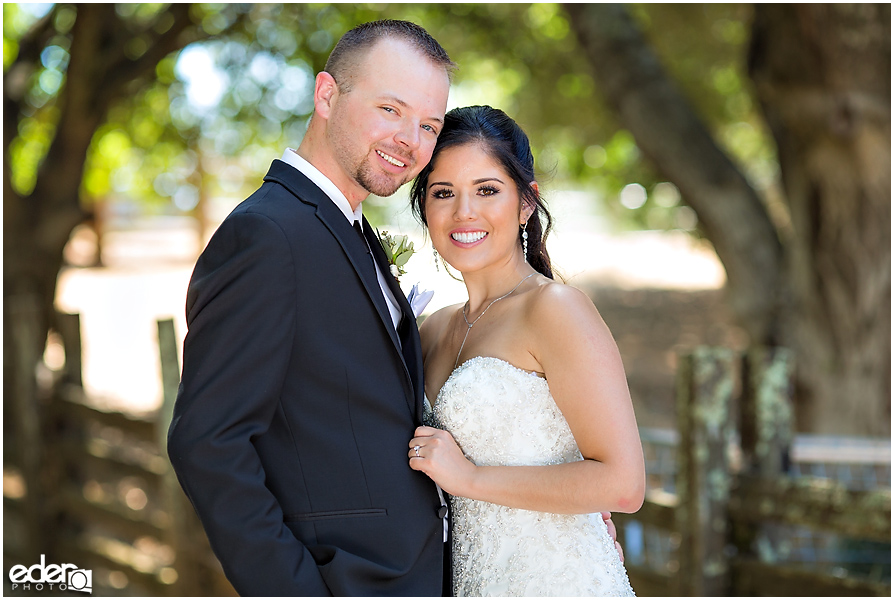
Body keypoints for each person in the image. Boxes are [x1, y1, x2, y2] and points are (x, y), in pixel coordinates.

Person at [167, 20, 454, 595]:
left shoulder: (348, 227)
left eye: (429, 124)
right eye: (390, 110)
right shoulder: (268, 235)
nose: (411, 140)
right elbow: (208, 442)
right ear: (327, 95)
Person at [407, 105, 645, 597]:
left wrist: (469, 478)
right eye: (443, 192)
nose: (464, 212)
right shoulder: (431, 329)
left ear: (526, 203)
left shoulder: (555, 310)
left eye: (487, 190)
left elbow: (623, 483)